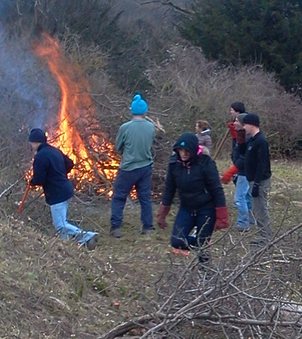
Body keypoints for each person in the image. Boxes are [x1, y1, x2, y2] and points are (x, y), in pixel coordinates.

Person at [156, 132, 229, 260]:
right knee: (177, 241)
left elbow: (217, 190)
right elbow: (169, 189)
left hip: (206, 208)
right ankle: (201, 244)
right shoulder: (174, 164)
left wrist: (222, 216)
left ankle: (206, 272)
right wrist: (162, 214)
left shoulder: (206, 163)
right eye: (180, 150)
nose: (183, 154)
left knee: (202, 246)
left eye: (187, 151)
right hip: (186, 208)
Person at [28, 128, 97, 249]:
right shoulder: (55, 151)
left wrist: (32, 182)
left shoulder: (40, 157)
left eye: (31, 143)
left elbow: (39, 179)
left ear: (35, 142)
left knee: (60, 225)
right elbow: (70, 163)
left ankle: (87, 236)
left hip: (57, 193)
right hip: (66, 189)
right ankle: (65, 247)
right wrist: (60, 174)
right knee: (62, 221)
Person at [110, 94, 156, 238]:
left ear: (132, 111)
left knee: (119, 196)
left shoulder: (125, 127)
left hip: (128, 168)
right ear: (145, 112)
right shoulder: (151, 127)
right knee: (145, 198)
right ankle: (148, 227)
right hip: (146, 167)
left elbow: (118, 147)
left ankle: (116, 228)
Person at [241, 113, 272, 245]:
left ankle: (266, 237)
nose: (244, 127)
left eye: (245, 124)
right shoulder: (252, 140)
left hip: (260, 181)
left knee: (261, 208)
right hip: (252, 180)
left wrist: (257, 184)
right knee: (256, 208)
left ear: (252, 124)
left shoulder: (261, 141)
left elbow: (262, 164)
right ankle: (262, 235)